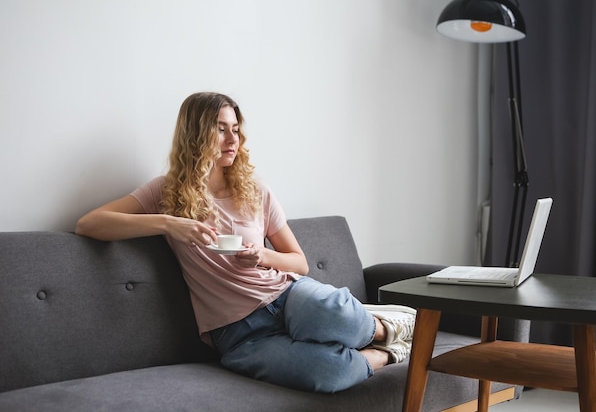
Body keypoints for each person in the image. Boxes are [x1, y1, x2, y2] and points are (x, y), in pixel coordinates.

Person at [75, 92, 416, 393]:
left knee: (334, 317)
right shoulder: (167, 193)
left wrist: (262, 255)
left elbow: (299, 263)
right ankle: (388, 352)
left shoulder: (256, 191)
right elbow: (89, 224)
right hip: (239, 334)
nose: (232, 139)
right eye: (220, 128)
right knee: (331, 373)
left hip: (288, 296)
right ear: (196, 133)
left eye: (235, 129)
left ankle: (386, 327)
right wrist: (170, 224)